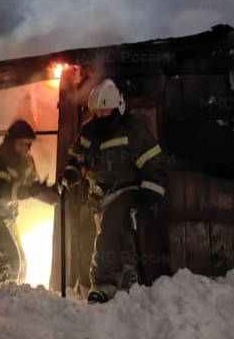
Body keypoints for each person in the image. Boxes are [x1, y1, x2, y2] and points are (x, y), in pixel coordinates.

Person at [57, 78, 168, 304]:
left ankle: (103, 284)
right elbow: (78, 160)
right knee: (112, 239)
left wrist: (147, 196)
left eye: (105, 112)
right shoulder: (89, 130)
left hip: (126, 191)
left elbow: (154, 166)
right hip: (97, 195)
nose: (100, 117)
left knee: (111, 228)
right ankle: (128, 284)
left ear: (118, 107)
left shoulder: (134, 129)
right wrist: (69, 175)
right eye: (96, 112)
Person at [0, 119, 59, 287]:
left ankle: (11, 301)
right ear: (11, 142)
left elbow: (32, 185)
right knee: (8, 262)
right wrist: (30, 191)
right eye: (23, 143)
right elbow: (1, 191)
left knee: (21, 265)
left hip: (6, 217)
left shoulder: (27, 161)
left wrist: (47, 194)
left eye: (29, 144)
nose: (27, 148)